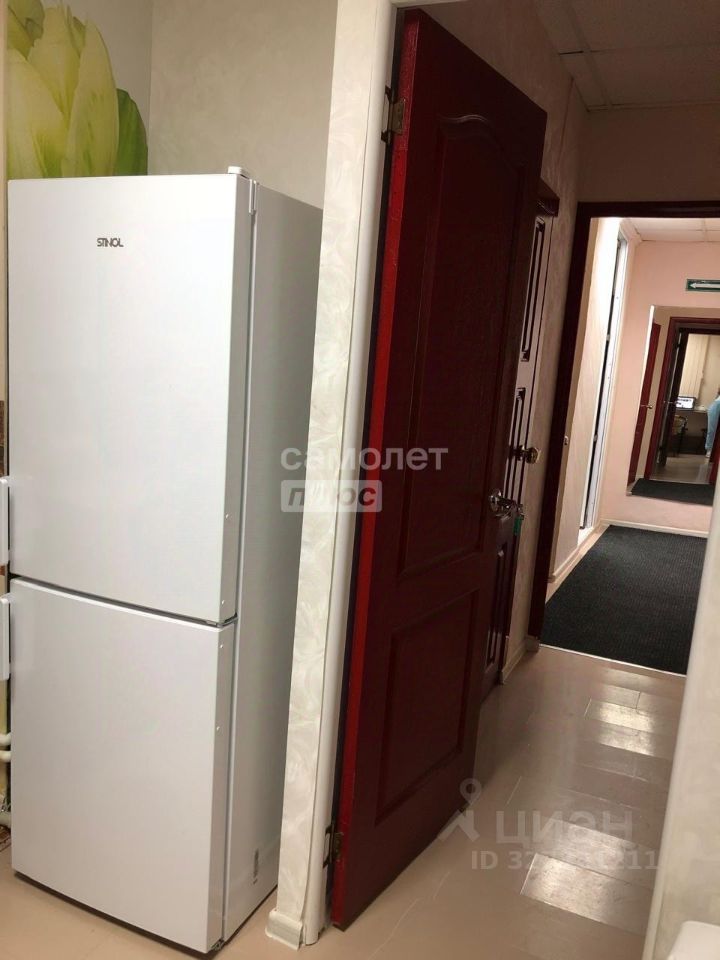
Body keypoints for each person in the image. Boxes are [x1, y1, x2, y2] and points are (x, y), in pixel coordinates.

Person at [706, 387, 720, 456]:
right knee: (712, 430)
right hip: (716, 406)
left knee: (712, 430)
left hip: (716, 405)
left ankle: (710, 449)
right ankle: (709, 449)